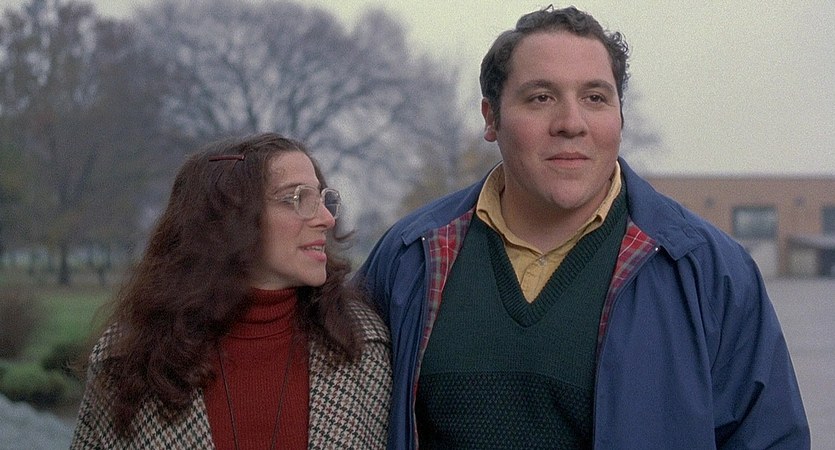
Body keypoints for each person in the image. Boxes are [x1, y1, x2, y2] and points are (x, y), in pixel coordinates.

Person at [357, 5, 809, 449]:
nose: (571, 124)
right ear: (491, 118)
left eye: (595, 98)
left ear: (620, 118)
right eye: (541, 98)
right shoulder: (409, 257)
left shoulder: (709, 272)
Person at [71, 132, 391, 449]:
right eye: (297, 199)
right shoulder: (126, 361)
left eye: (322, 199)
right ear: (228, 219)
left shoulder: (362, 346)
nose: (326, 219)